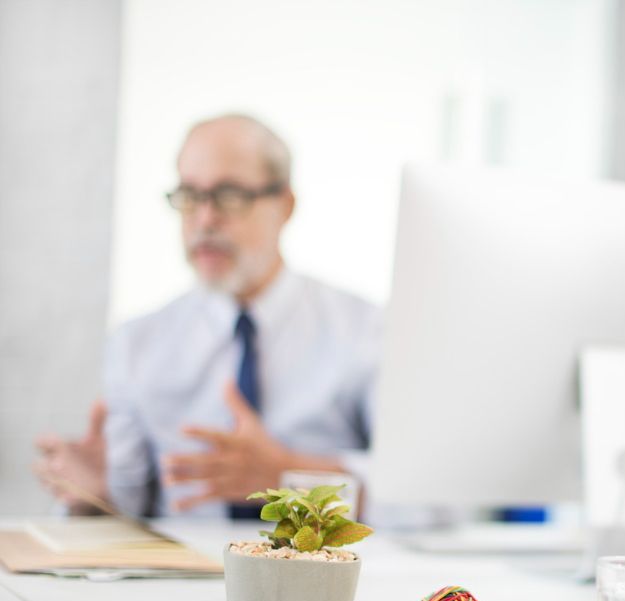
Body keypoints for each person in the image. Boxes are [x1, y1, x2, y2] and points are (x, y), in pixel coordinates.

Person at [32, 114, 379, 519]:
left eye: (229, 195)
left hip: (329, 573)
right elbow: (130, 518)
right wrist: (96, 497)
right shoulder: (136, 343)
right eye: (190, 196)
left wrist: (289, 477)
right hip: (184, 579)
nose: (205, 219)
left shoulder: (366, 329)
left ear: (285, 205)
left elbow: (426, 504)